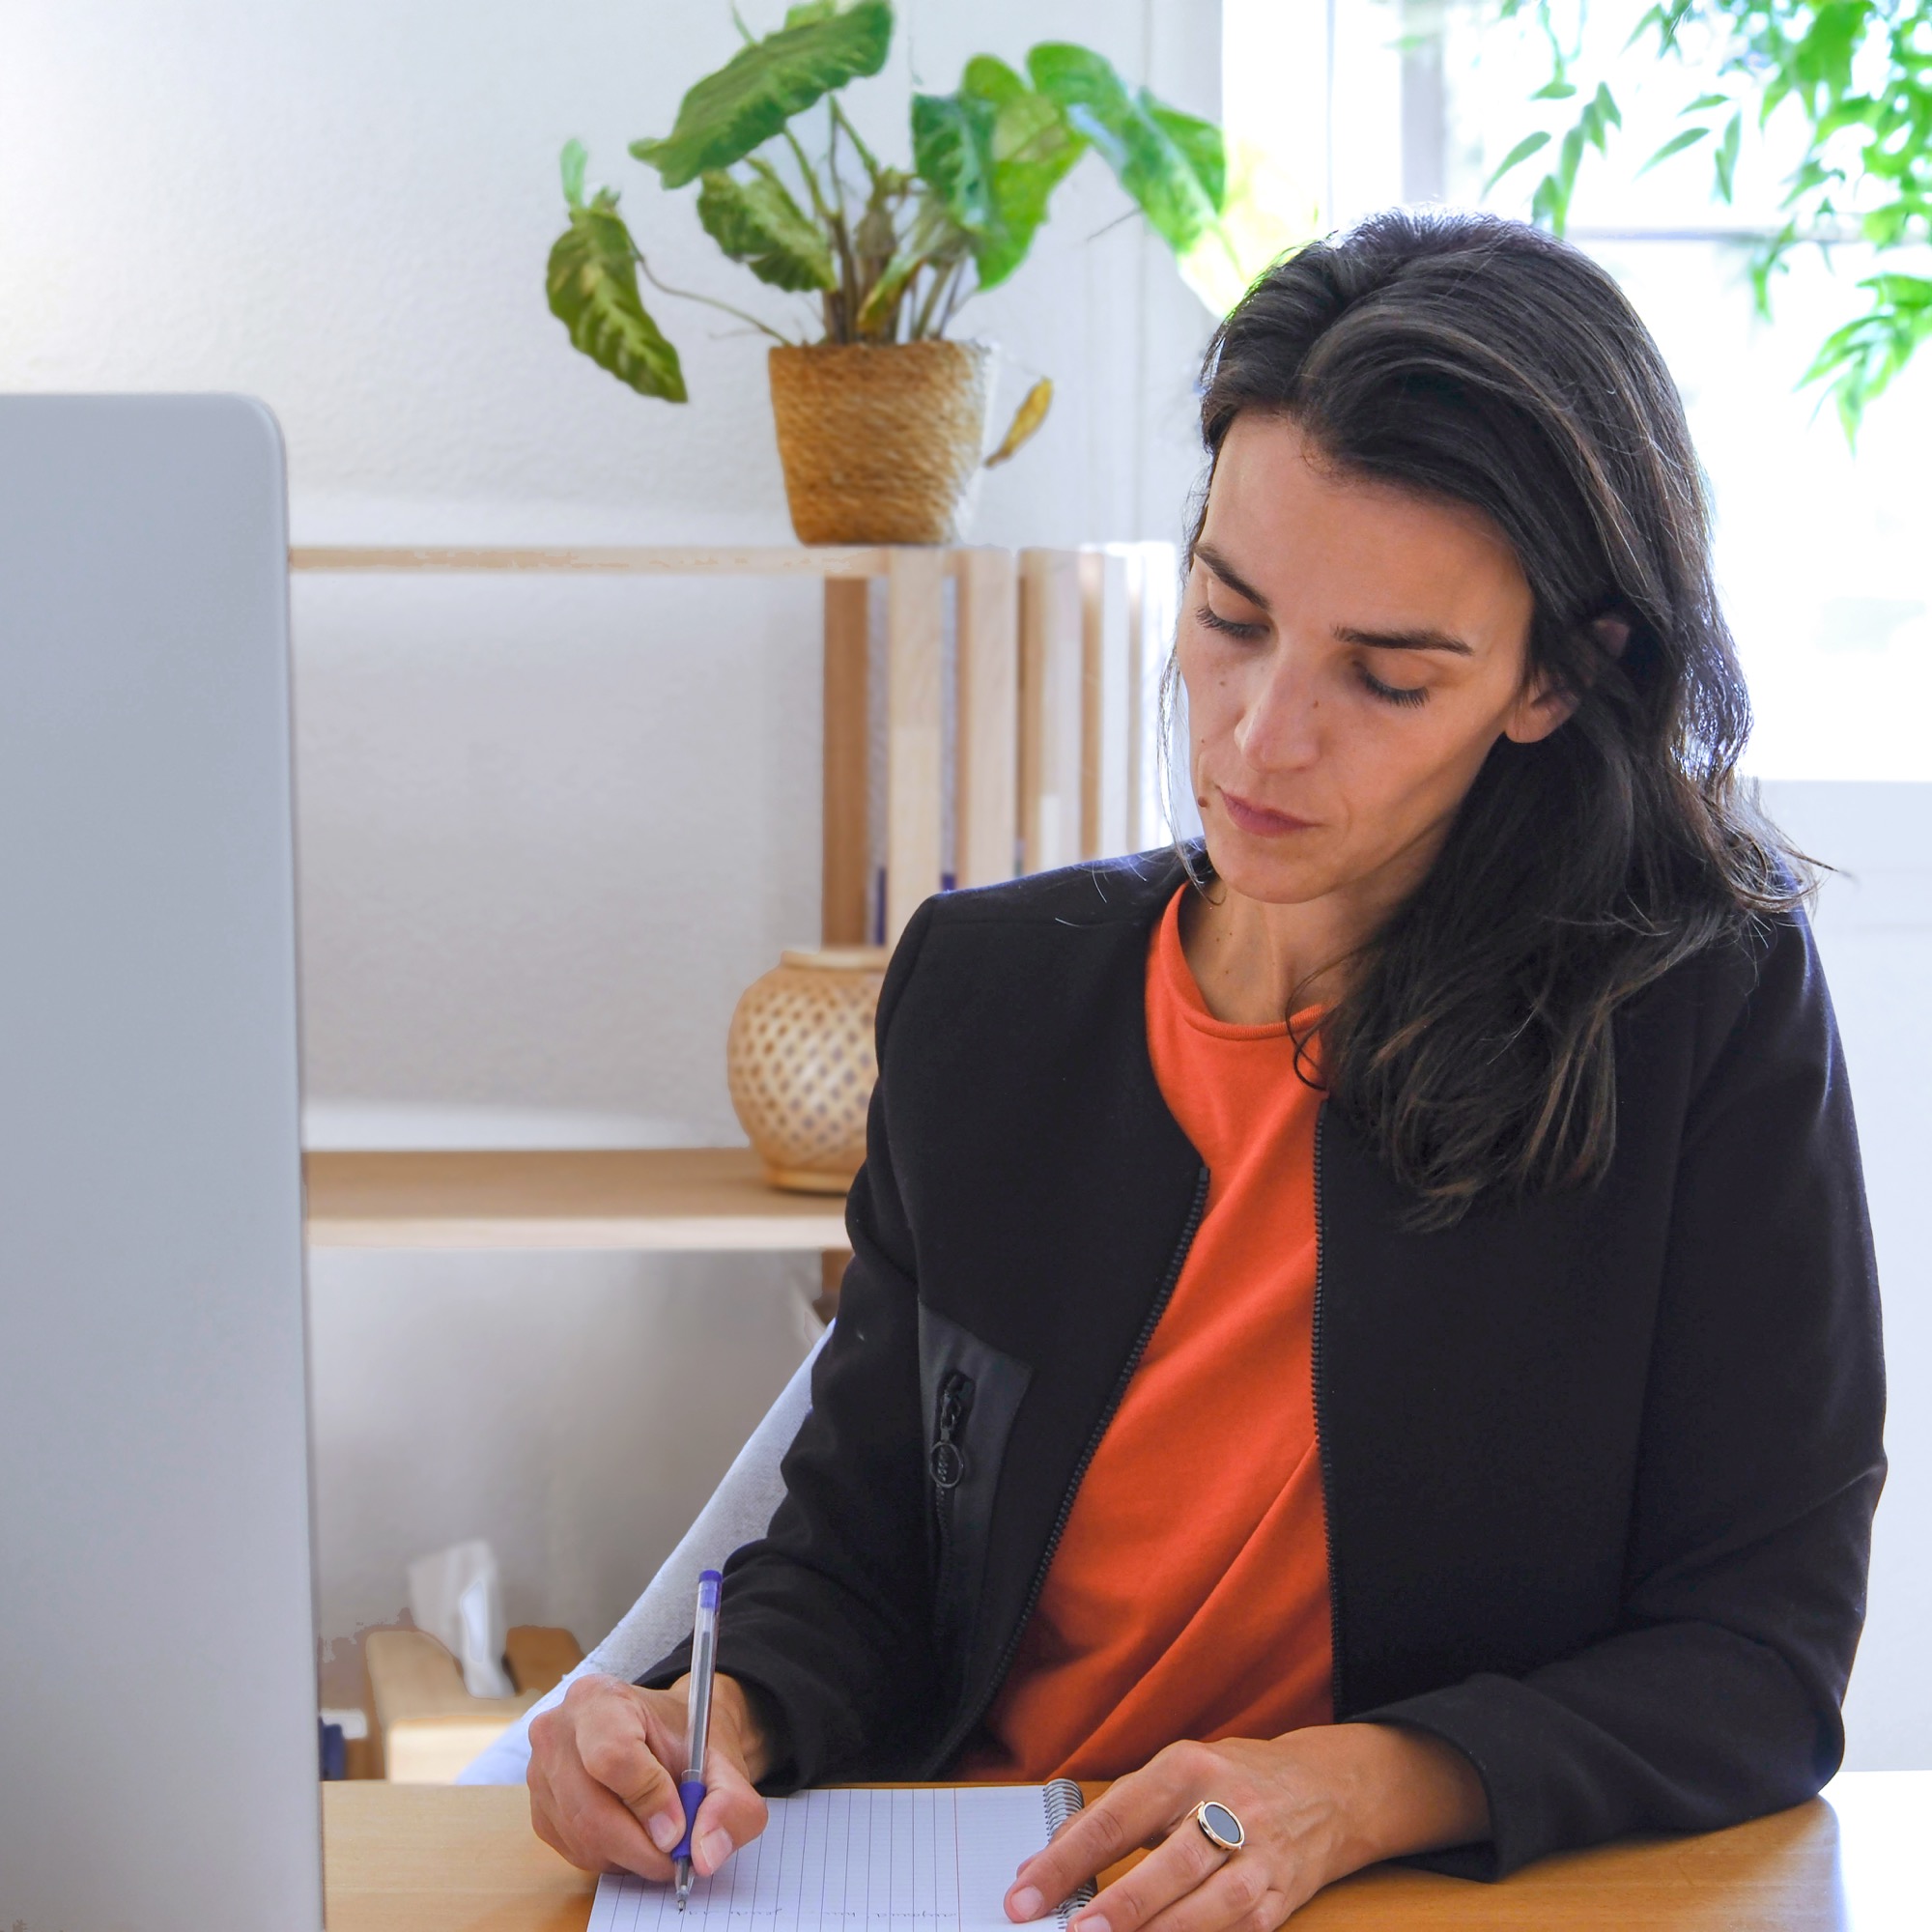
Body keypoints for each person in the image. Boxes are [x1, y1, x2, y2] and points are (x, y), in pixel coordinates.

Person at [527, 211, 1886, 1926]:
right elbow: (865, 1559)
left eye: (1387, 678)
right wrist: (711, 1716)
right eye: (1230, 614)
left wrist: (1355, 1786)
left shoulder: (1705, 1015)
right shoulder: (991, 998)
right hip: (980, 1888)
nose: (1258, 738)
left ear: (1559, 675)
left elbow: (1758, 1659)